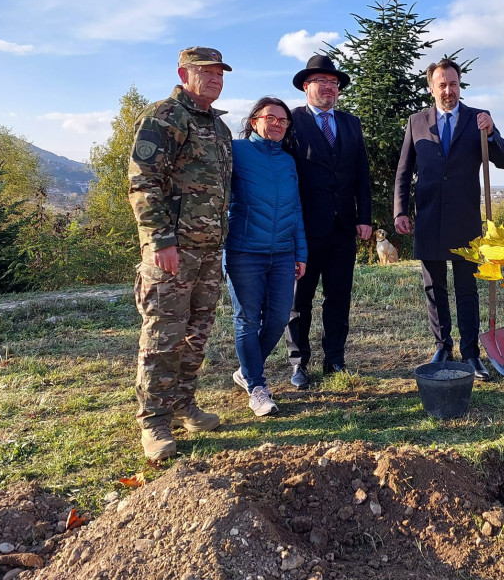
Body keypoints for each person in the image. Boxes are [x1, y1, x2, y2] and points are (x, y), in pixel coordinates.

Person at [128, 46, 233, 460]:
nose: (214, 79)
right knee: (162, 336)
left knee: (197, 333)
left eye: (219, 73)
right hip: (173, 251)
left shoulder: (217, 127)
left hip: (209, 251)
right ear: (183, 73)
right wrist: (160, 241)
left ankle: (184, 404)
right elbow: (143, 181)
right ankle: (154, 421)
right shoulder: (164, 117)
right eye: (205, 72)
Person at [394, 58, 504, 381]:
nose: (448, 90)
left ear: (460, 86)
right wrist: (400, 210)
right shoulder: (416, 122)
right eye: (442, 85)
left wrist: (490, 135)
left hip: (465, 221)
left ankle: (471, 352)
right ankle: (442, 345)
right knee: (434, 287)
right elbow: (403, 172)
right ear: (431, 88)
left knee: (466, 289)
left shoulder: (478, 119)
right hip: (429, 217)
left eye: (453, 84)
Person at [285, 55, 372, 388]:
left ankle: (335, 359)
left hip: (343, 229)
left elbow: (360, 174)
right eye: (321, 81)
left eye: (333, 83)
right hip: (305, 229)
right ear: (307, 86)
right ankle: (298, 363)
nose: (329, 88)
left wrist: (363, 217)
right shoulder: (292, 122)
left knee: (339, 297)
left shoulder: (351, 123)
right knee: (299, 300)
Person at [224, 97, 308, 417]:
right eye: (270, 118)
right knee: (247, 319)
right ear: (254, 120)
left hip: (284, 253)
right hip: (244, 251)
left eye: (283, 121)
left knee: (276, 319)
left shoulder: (288, 161)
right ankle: (257, 386)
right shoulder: (237, 151)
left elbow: (296, 209)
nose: (277, 124)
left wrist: (301, 252)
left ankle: (246, 370)